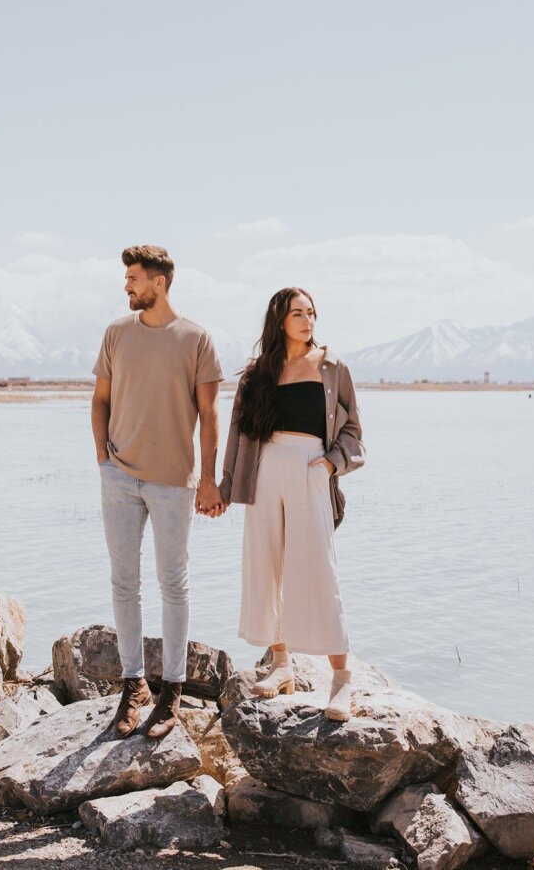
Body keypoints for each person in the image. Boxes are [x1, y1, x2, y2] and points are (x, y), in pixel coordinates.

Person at [91, 245, 224, 738]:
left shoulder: (195, 338)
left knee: (174, 583)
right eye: (126, 278)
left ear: (159, 282)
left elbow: (209, 415)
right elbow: (100, 399)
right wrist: (103, 460)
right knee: (123, 582)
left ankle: (172, 691)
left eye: (133, 278)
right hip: (120, 478)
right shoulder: (115, 334)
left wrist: (209, 478)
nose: (126, 286)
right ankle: (133, 685)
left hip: (173, 481)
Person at [219, 286, 364, 720]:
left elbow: (353, 429)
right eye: (297, 313)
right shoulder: (257, 373)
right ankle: (281, 664)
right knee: (266, 566)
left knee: (318, 570)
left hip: (310, 469)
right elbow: (238, 434)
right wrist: (226, 486)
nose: (307, 320)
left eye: (311, 312)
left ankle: (340, 680)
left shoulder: (332, 366)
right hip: (264, 470)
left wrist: (330, 465)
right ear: (279, 320)